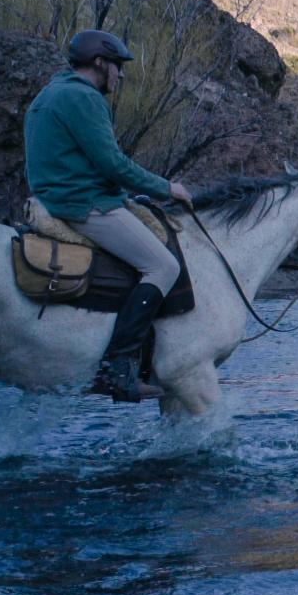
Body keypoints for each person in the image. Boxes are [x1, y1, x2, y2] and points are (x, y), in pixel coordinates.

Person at [24, 30, 194, 402]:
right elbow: (113, 164)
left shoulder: (49, 93)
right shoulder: (83, 98)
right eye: (118, 66)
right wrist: (167, 188)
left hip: (58, 196)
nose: (121, 75)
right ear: (100, 64)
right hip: (84, 204)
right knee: (163, 267)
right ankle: (116, 368)